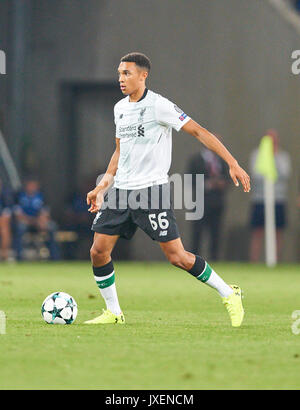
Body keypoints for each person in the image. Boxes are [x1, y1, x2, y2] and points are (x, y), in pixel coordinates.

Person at [84, 52, 250, 327]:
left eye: (126, 73)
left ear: (143, 75)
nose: (121, 79)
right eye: (119, 74)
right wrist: (102, 186)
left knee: (177, 257)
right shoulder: (120, 108)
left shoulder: (159, 106)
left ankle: (229, 292)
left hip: (151, 192)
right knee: (98, 251)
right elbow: (119, 151)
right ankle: (114, 312)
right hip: (121, 191)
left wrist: (231, 162)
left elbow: (199, 131)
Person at [249, 129, 291, 262]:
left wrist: (274, 157)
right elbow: (256, 174)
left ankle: (276, 260)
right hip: (260, 198)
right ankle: (254, 261)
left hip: (278, 199)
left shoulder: (283, 156)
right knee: (257, 231)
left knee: (278, 232)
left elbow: (285, 174)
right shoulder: (256, 155)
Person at [187, 144, 230, 260]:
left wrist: (222, 183)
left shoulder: (222, 160)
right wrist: (208, 184)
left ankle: (214, 260)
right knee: (197, 233)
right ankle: (194, 261)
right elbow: (190, 179)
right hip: (200, 202)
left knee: (216, 233)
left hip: (217, 202)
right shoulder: (196, 160)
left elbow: (228, 178)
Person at [14, 177, 60, 260]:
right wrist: (30, 221)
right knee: (20, 228)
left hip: (39, 221)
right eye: (30, 185)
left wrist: (40, 221)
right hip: (25, 221)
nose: (31, 187)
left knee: (52, 227)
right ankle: (19, 256)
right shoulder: (19, 196)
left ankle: (54, 256)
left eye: (33, 185)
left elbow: (45, 213)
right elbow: (18, 214)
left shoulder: (42, 196)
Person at [0, 178, 14, 261]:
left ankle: (5, 255)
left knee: (5, 230)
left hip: (2, 223)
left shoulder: (6, 196)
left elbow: (7, 216)